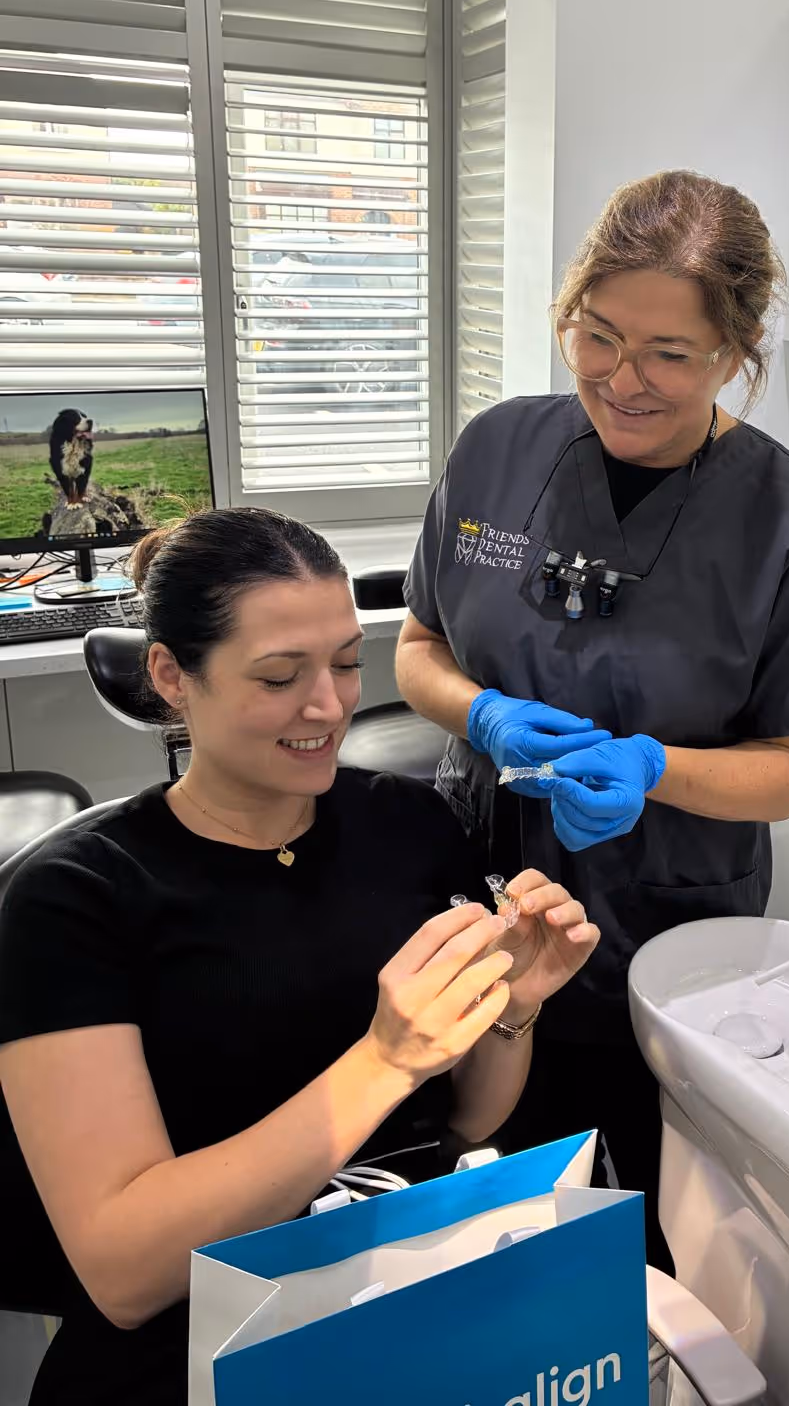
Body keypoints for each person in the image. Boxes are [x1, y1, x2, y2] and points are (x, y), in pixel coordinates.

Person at [0, 508, 598, 1406]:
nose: (329, 705)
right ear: (172, 675)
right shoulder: (73, 898)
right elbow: (125, 1274)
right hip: (201, 1338)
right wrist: (384, 1060)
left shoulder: (411, 825)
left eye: (349, 663)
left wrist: (513, 1008)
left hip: (410, 1282)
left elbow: (470, 1126)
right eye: (280, 676)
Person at [393, 170, 789, 1263]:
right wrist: (488, 713)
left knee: (658, 1219)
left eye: (671, 354)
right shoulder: (496, 452)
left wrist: (655, 767)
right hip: (481, 895)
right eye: (597, 335)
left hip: (669, 931)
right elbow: (419, 651)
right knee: (483, 1206)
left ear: (738, 352)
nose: (623, 379)